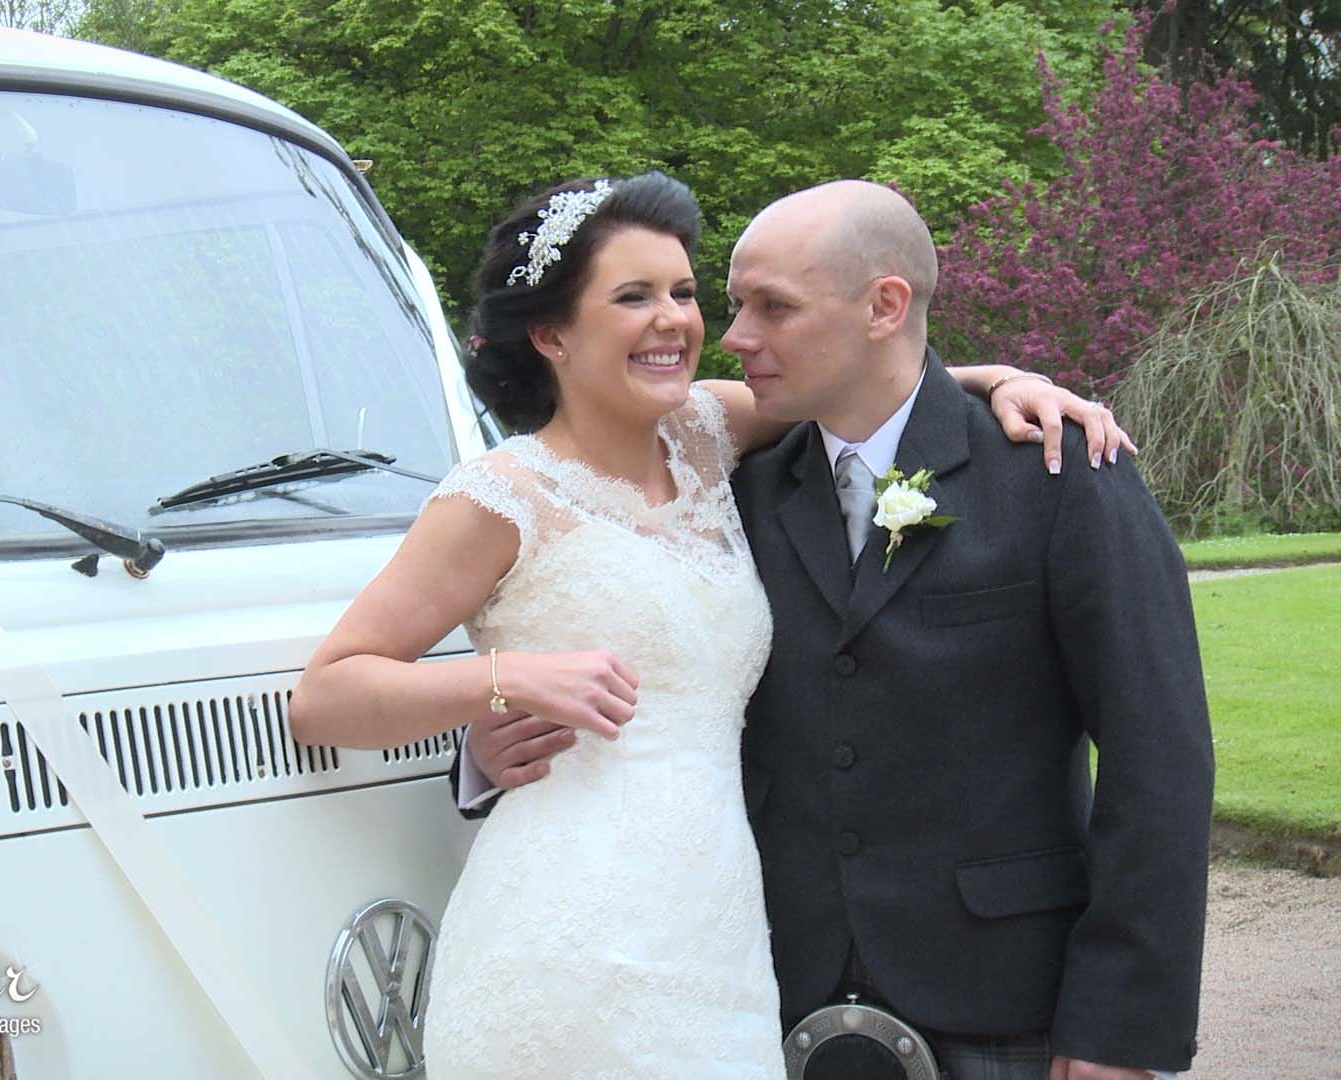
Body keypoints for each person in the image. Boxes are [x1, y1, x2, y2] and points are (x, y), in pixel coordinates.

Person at [289, 173, 1128, 1078]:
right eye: (635, 296)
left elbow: (870, 383)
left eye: (684, 292)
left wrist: (1004, 379)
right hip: (563, 927)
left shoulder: (705, 433)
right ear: (551, 334)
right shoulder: (497, 498)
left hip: (717, 929)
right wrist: (505, 681)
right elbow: (326, 694)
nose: (676, 320)